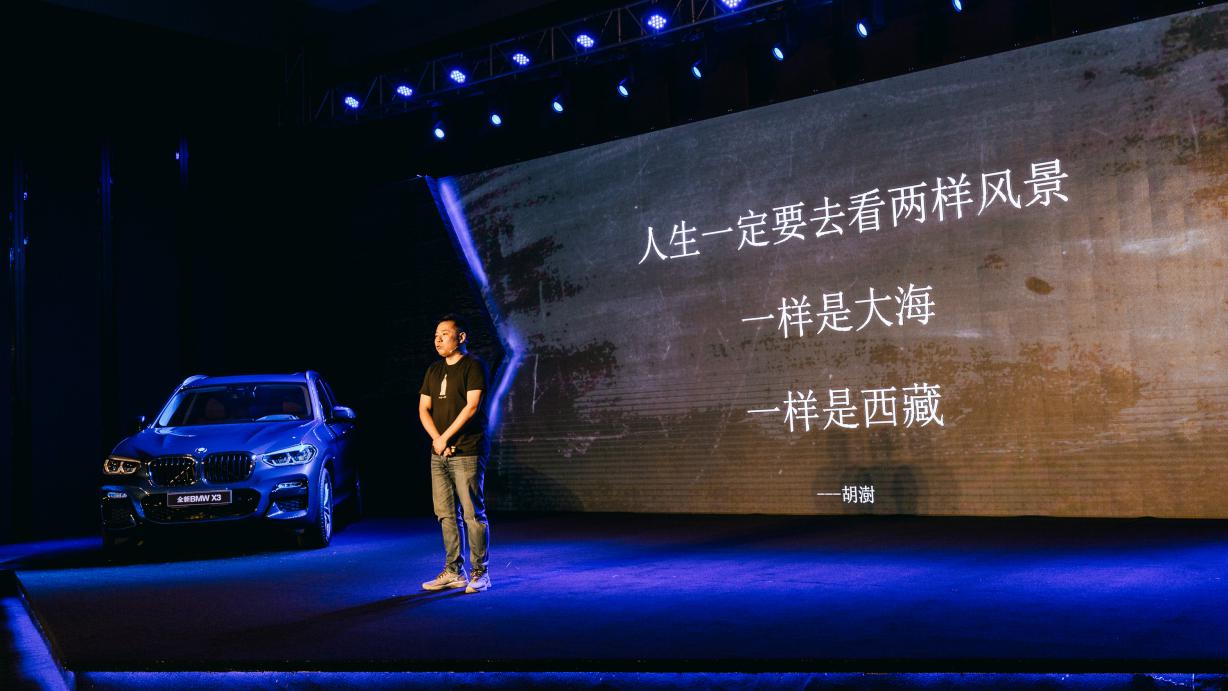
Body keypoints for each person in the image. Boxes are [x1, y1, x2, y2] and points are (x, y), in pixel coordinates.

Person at [418, 314, 491, 594]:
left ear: (461, 337)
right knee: (445, 514)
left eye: (444, 334)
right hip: (440, 453)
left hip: (467, 450)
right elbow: (423, 408)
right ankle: (453, 571)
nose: (438, 340)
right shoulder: (433, 370)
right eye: (436, 335)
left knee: (473, 514)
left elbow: (471, 407)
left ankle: (480, 572)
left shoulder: (474, 366)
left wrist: (445, 438)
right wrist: (438, 440)